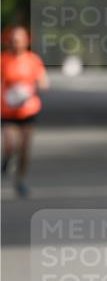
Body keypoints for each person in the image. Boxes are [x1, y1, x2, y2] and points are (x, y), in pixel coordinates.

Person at [1, 26, 49, 197]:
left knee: (24, 149)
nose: (16, 43)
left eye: (20, 40)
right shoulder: (3, 59)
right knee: (10, 144)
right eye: (13, 40)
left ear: (26, 41)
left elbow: (43, 82)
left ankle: (20, 181)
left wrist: (28, 91)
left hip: (28, 110)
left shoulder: (33, 60)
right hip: (7, 110)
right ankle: (6, 160)